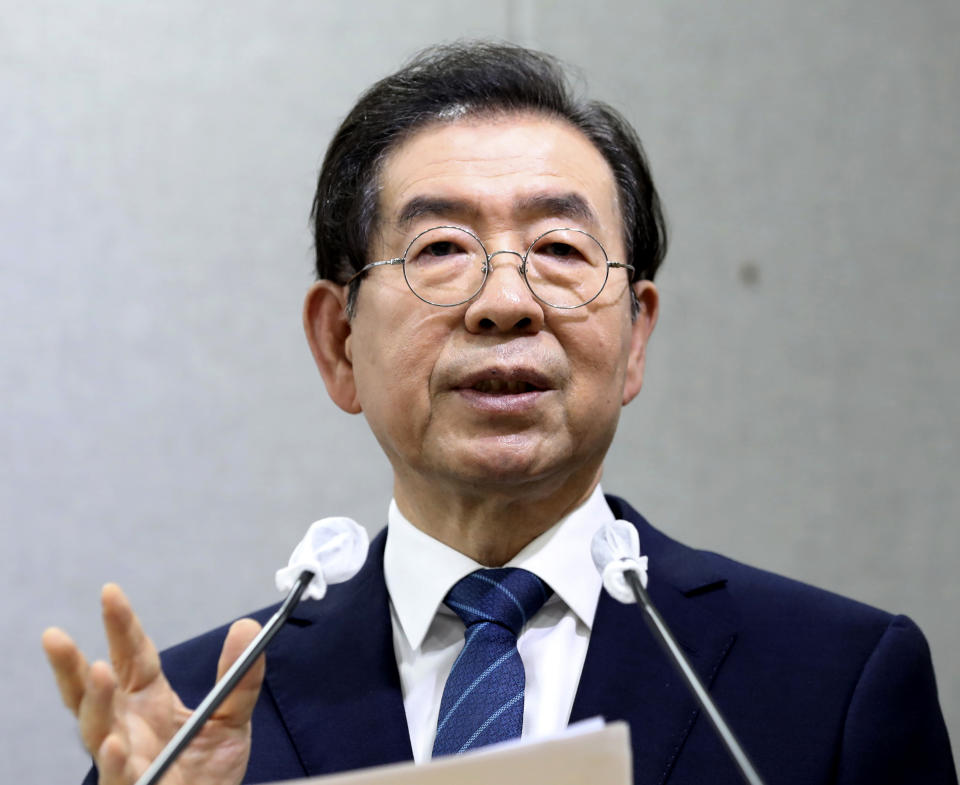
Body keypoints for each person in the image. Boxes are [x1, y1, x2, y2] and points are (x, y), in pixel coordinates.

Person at [43, 42, 955, 785]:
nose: (507, 301)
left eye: (559, 247)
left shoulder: (833, 683)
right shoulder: (198, 719)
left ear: (635, 335)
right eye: (442, 248)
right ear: (338, 342)